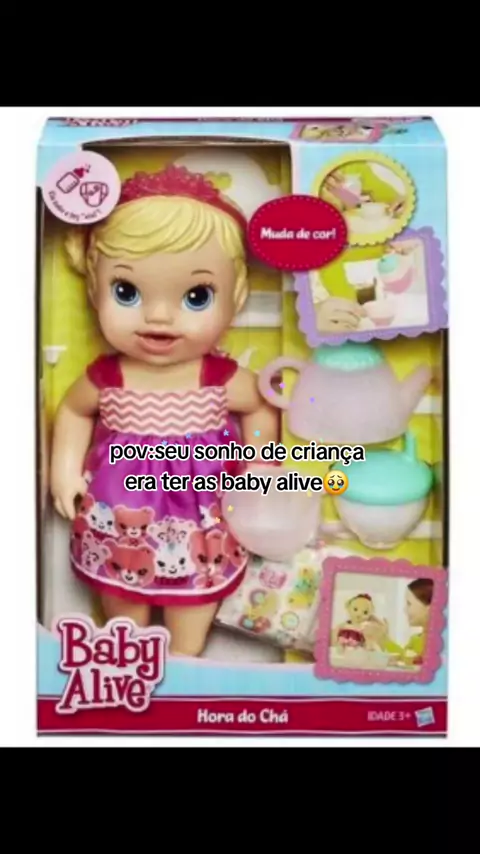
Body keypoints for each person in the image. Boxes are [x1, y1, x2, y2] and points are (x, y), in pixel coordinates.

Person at [50, 164, 278, 657]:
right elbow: (72, 412)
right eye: (126, 292)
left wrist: (260, 466)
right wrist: (64, 472)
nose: (158, 316)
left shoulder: (219, 378)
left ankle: (185, 665)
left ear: (235, 297)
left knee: (194, 604)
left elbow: (261, 405)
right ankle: (128, 657)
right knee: (122, 604)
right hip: (117, 518)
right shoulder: (108, 377)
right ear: (94, 290)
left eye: (196, 297)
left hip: (203, 517)